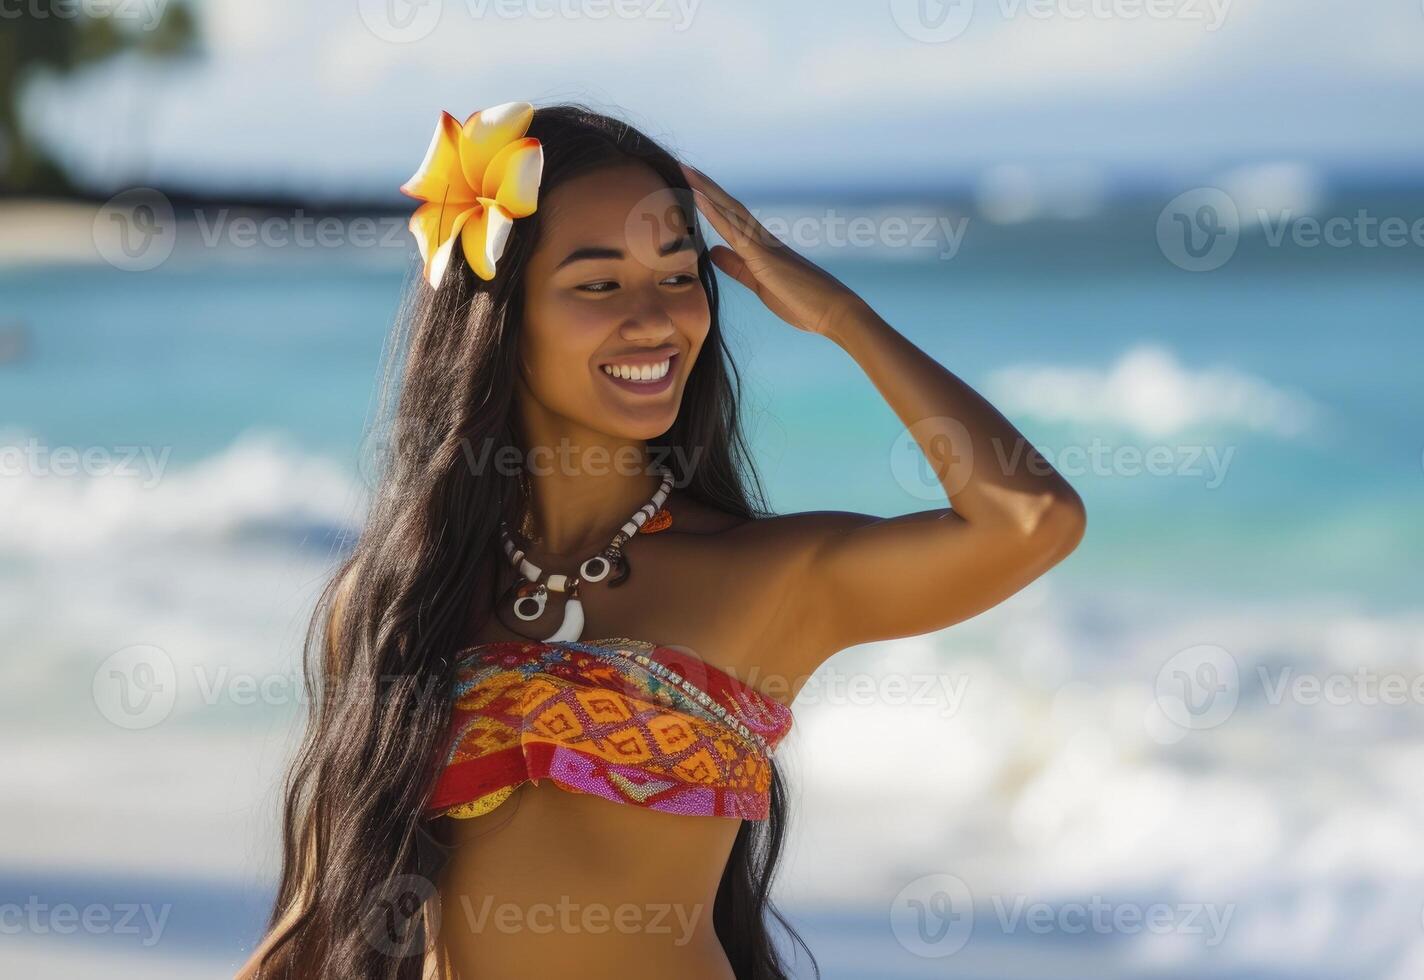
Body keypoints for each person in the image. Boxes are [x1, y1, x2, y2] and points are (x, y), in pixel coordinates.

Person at [239, 102, 1084, 979]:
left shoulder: (770, 579)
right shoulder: (397, 601)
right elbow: (315, 918)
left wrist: (838, 314)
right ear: (497, 314)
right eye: (598, 285)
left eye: (679, 277)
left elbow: (1031, 519)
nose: (654, 319)